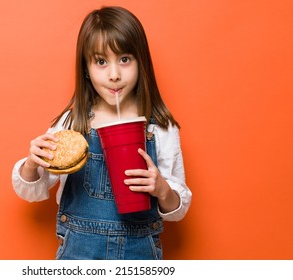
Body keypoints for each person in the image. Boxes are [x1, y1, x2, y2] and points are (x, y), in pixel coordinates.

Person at [12, 6, 192, 260]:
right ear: (86, 68)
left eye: (125, 59)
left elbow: (176, 211)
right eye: (101, 62)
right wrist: (32, 164)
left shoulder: (160, 127)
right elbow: (33, 190)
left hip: (139, 256)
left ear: (142, 62)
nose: (114, 74)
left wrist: (162, 189)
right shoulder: (72, 122)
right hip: (78, 254)